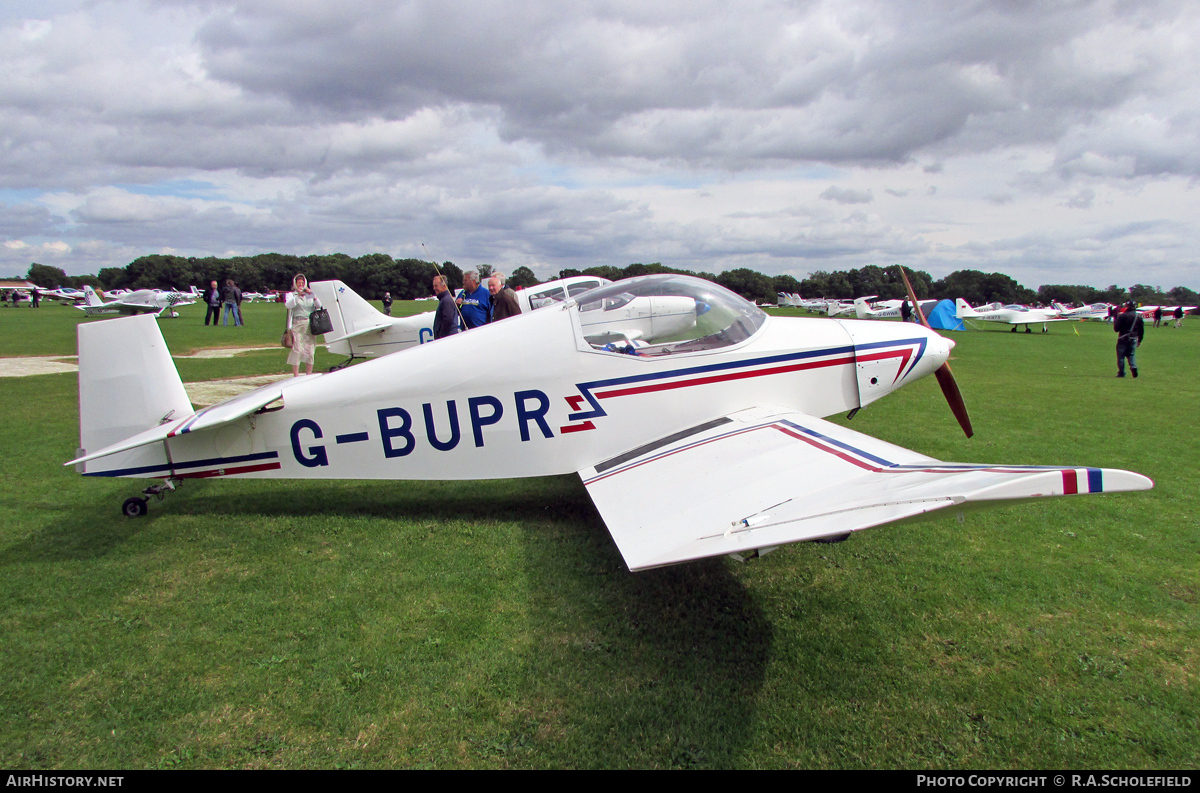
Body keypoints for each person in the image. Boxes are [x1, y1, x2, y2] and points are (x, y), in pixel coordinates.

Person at [285, 274, 322, 376]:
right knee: (297, 349)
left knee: (310, 350)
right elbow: (288, 305)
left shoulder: (308, 294)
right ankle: (296, 375)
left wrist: (313, 295)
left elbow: (319, 305)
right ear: (295, 284)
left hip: (309, 324)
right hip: (297, 324)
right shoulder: (292, 295)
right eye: (298, 283)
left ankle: (308, 374)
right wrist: (298, 296)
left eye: (302, 283)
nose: (300, 285)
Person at [1114, 301, 1144, 378]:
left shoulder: (1122, 316)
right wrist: (1140, 340)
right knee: (1131, 354)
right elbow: (1141, 330)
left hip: (1123, 338)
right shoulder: (1139, 317)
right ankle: (1133, 366)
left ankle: (1122, 372)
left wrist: (1116, 319)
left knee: (1121, 356)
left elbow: (1116, 329)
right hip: (1134, 338)